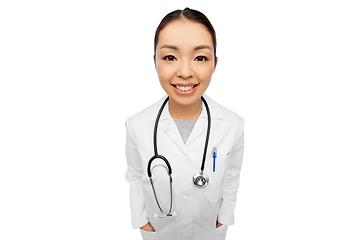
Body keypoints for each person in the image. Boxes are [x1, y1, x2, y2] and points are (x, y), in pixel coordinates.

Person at [125, 7, 245, 240]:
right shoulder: (136, 125)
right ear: (155, 62)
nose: (185, 72)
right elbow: (135, 175)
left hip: (209, 233)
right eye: (170, 57)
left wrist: (224, 218)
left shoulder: (233, 124)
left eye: (200, 57)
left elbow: (232, 176)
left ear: (215, 64)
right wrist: (141, 222)